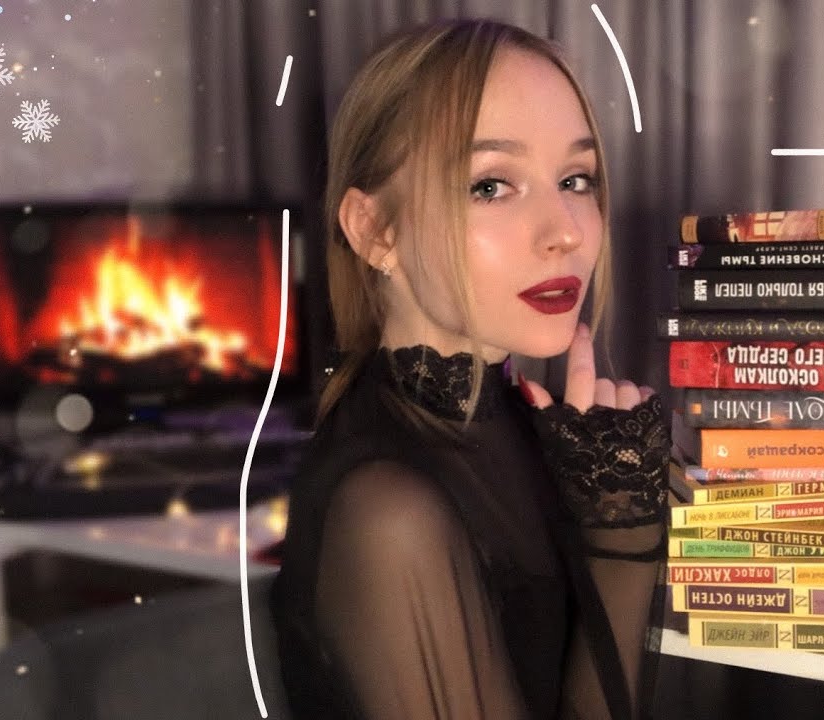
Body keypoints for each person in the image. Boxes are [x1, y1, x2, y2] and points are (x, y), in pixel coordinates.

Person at [270, 18, 670, 720]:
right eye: (490, 186)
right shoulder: (388, 513)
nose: (566, 231)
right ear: (375, 231)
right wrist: (620, 546)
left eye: (575, 179)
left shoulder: (533, 429)